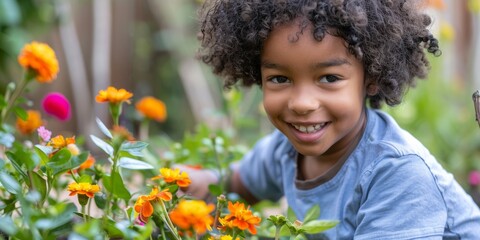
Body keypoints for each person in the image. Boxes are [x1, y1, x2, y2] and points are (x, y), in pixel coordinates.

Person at [183, 0, 480, 239]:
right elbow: (235, 185)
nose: (301, 103)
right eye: (279, 78)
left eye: (329, 78)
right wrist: (190, 184)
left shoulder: (398, 173)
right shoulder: (284, 150)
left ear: (371, 78)